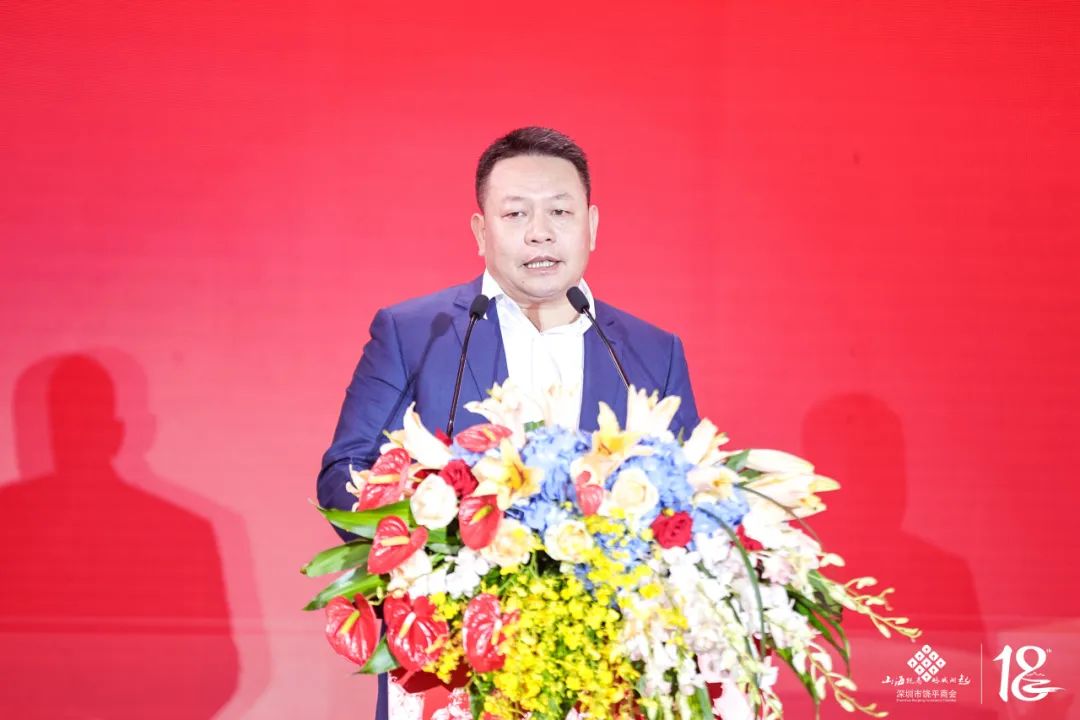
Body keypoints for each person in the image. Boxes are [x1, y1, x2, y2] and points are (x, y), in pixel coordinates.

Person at [316, 126, 700, 720]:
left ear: (592, 225)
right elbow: (345, 471)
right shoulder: (417, 332)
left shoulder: (651, 351)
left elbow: (690, 497)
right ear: (481, 231)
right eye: (516, 212)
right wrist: (434, 536)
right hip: (453, 657)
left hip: (610, 661)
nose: (539, 231)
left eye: (560, 212)